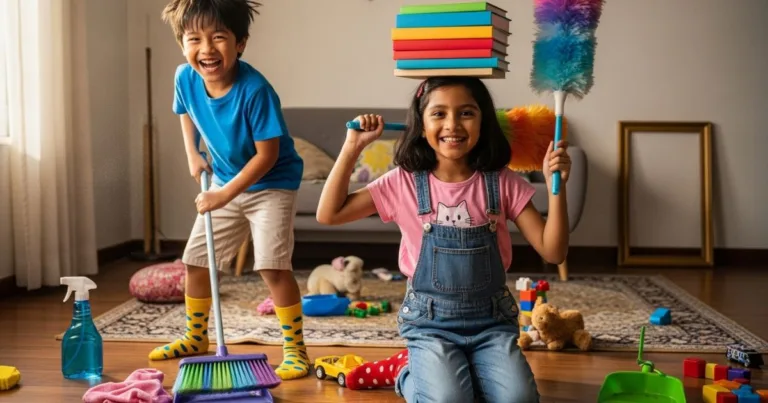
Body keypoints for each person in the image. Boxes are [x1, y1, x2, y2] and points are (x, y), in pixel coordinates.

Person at [316, 76, 572, 401]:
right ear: (421, 125)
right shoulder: (403, 182)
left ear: (483, 121)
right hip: (429, 324)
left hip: (491, 323)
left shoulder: (502, 182)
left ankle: (458, 373)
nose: (453, 124)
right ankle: (407, 372)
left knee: (519, 399)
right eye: (439, 114)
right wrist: (352, 147)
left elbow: (554, 251)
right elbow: (329, 214)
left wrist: (557, 185)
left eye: (466, 113)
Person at [149, 0, 310, 381]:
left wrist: (224, 195)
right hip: (223, 179)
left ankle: (295, 350)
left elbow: (267, 156)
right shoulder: (184, 77)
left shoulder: (255, 91)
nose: (206, 49)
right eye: (194, 39)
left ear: (240, 43)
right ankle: (195, 337)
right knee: (195, 261)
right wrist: (192, 153)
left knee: (272, 266)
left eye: (218, 37)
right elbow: (184, 111)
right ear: (182, 44)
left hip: (271, 183)